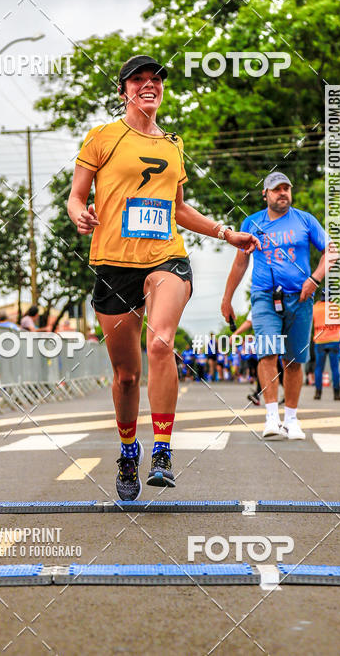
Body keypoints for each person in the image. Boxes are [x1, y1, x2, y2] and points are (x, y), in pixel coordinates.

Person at [68, 54, 260, 500]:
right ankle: (129, 451)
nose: (148, 85)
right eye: (138, 80)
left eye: (155, 80)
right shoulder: (102, 137)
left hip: (166, 258)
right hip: (115, 265)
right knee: (126, 375)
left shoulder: (173, 145)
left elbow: (178, 208)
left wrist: (225, 232)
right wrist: (82, 215)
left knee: (160, 343)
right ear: (123, 91)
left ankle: (163, 451)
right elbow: (76, 197)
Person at [221, 171, 336, 440]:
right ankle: (272, 417)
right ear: (266, 194)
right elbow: (240, 263)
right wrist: (227, 299)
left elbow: (331, 251)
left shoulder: (305, 220)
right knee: (268, 352)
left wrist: (314, 279)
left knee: (294, 359)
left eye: (286, 188)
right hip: (264, 296)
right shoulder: (251, 223)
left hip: (301, 297)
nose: (282, 192)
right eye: (276, 189)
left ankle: (292, 420)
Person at [312, 291, 340, 401]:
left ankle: (318, 393)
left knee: (319, 368)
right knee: (335, 368)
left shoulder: (315, 307)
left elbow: (311, 321)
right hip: (334, 340)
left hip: (320, 340)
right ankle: (337, 394)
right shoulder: (336, 307)